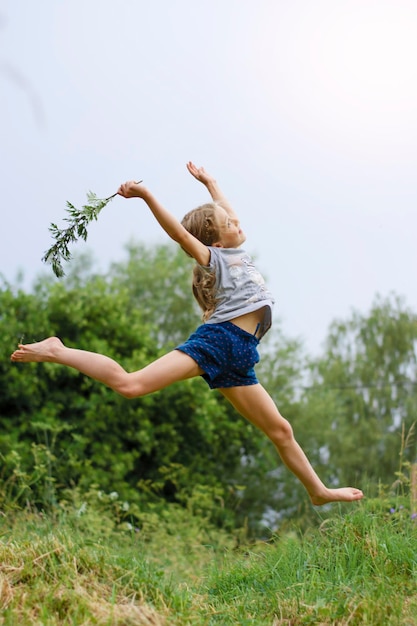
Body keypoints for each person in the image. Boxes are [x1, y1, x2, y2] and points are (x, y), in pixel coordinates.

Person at [11, 162, 363, 506]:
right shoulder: (217, 258)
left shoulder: (237, 251)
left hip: (239, 359)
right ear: (215, 242)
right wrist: (147, 195)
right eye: (228, 223)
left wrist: (210, 182)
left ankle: (318, 491)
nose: (236, 222)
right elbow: (180, 235)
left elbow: (225, 211)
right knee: (131, 385)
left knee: (281, 431)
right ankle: (58, 350)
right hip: (217, 343)